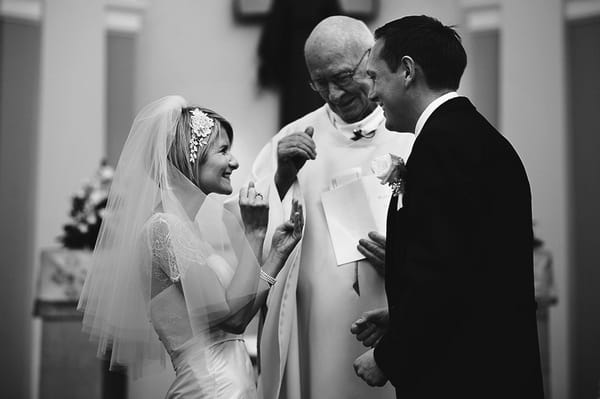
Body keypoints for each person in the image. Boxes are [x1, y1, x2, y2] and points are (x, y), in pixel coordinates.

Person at [352, 15, 544, 398]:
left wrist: (389, 356)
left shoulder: (442, 148)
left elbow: (442, 274)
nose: (371, 94)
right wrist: (400, 317)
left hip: (465, 377)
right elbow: (475, 269)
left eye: (375, 77)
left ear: (407, 71)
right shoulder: (469, 135)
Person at [78, 95, 303, 399]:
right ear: (190, 159)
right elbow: (233, 320)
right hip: (211, 388)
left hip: (234, 384)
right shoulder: (163, 229)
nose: (234, 161)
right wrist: (254, 233)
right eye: (223, 150)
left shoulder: (187, 229)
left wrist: (276, 254)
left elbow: (240, 312)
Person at [250, 16, 414, 399]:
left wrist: (409, 261)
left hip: (396, 315)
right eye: (319, 82)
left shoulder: (410, 132)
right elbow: (250, 225)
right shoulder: (291, 140)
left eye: (342, 77)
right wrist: (280, 178)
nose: (334, 94)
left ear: (369, 59)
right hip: (317, 324)